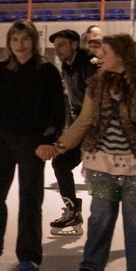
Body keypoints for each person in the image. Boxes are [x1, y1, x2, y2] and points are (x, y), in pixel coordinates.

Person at [36, 34, 136, 271]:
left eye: (104, 52)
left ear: (122, 55)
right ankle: (91, 266)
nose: (98, 56)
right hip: (102, 164)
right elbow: (84, 121)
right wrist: (60, 147)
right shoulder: (97, 83)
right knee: (100, 218)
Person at [0, 20, 65, 271]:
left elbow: (56, 109)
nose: (20, 44)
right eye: (15, 39)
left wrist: (49, 139)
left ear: (33, 41)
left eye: (24, 39)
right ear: (9, 43)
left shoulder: (46, 71)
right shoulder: (1, 70)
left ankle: (29, 255)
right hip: (5, 139)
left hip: (34, 143)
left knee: (30, 199)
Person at [47, 29, 99, 236]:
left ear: (75, 44)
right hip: (81, 125)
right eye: (55, 46)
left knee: (115, 177)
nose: (57, 50)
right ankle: (72, 212)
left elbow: (93, 106)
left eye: (61, 45)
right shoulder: (67, 66)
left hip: (99, 128)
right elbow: (74, 104)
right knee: (61, 163)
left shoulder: (91, 65)